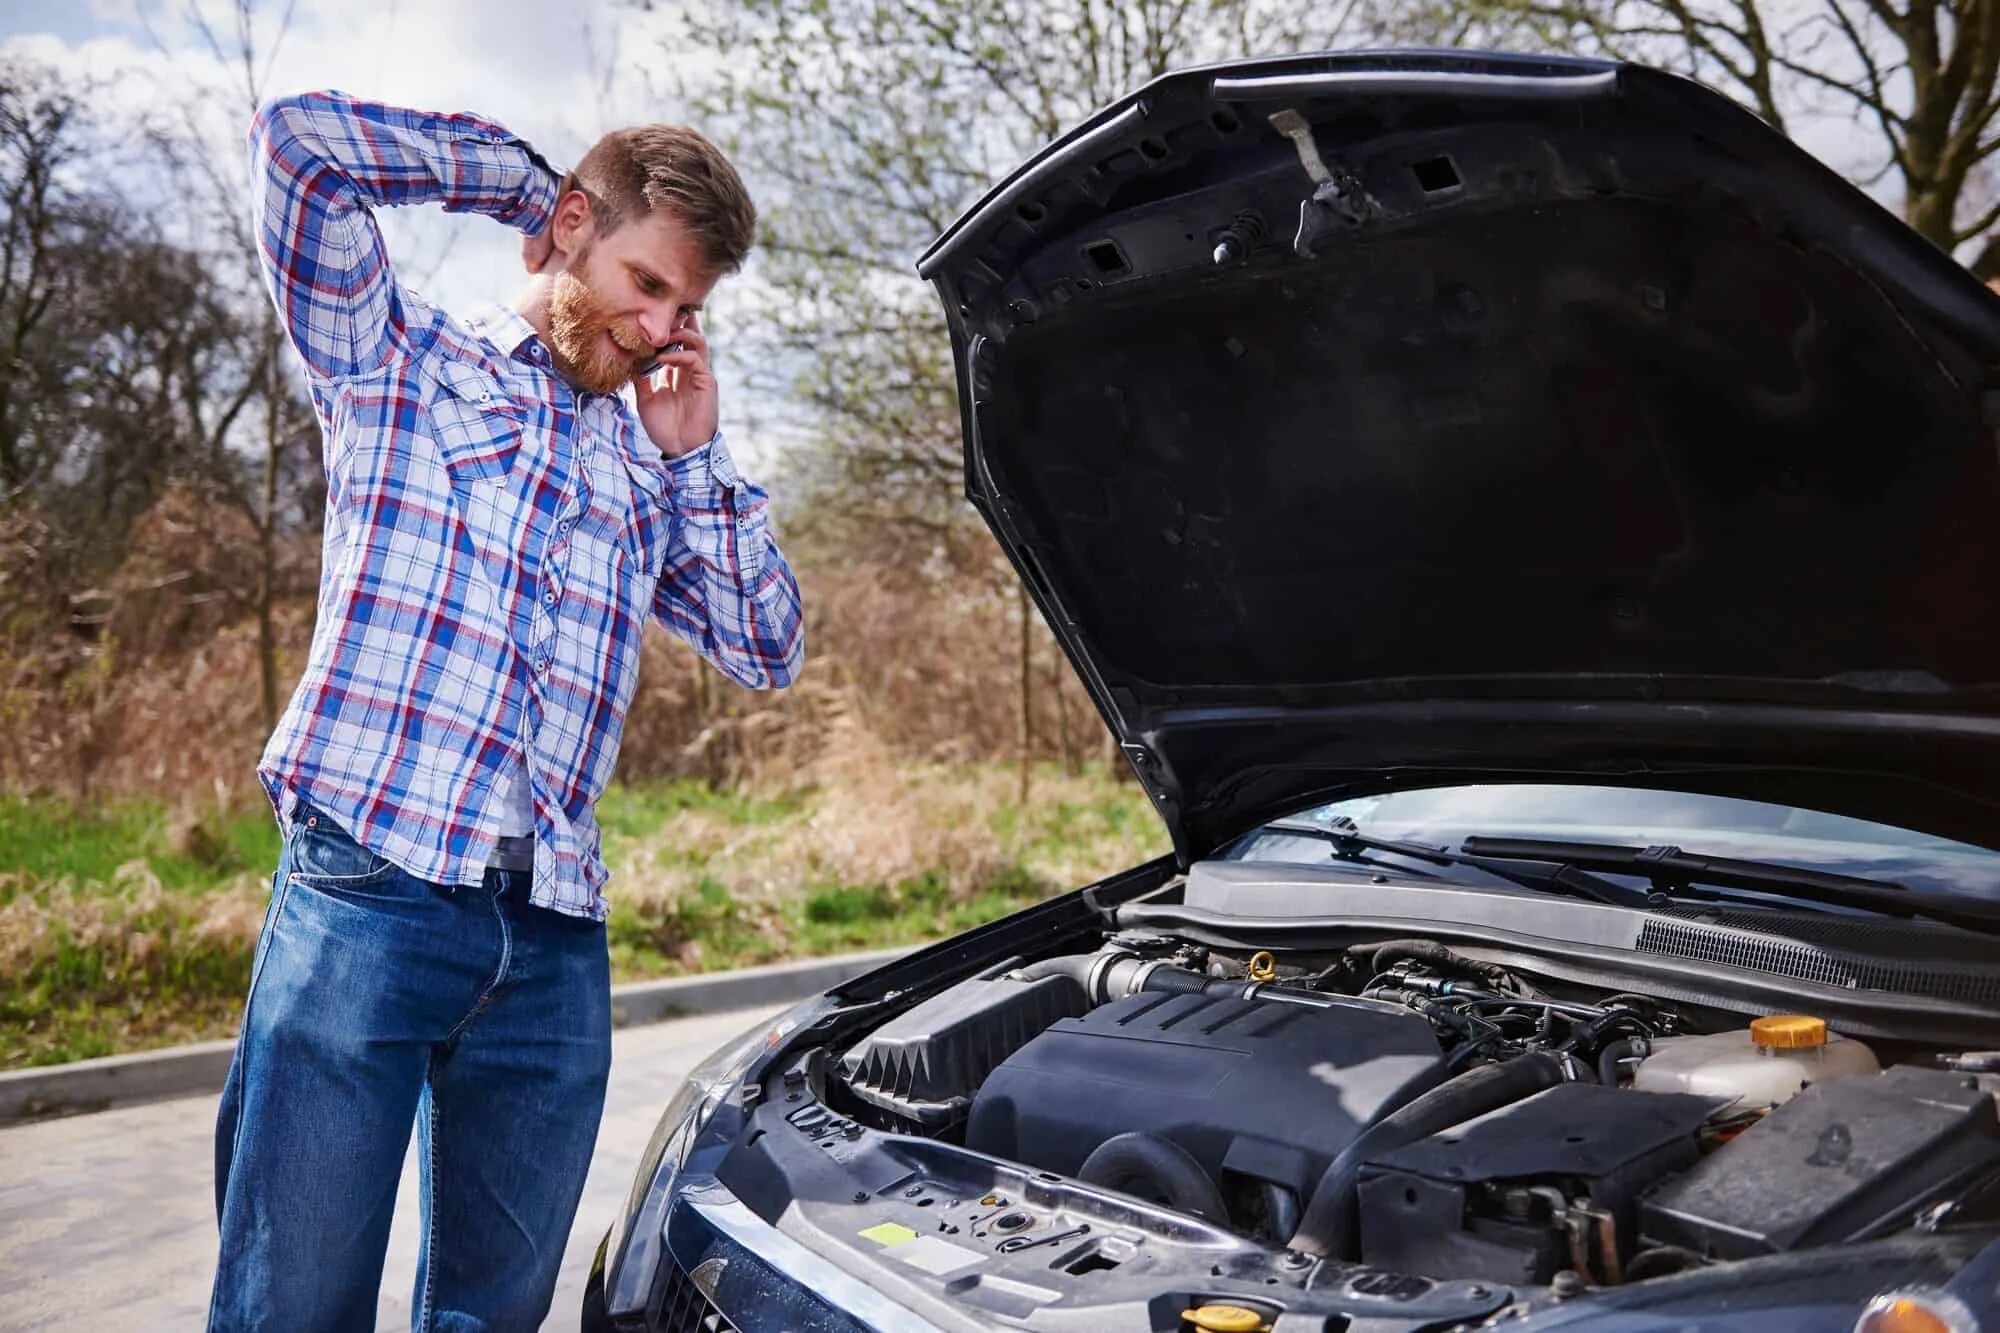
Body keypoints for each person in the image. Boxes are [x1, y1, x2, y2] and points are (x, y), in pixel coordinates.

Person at [207, 91, 804, 1332]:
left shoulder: (647, 467)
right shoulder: (396, 359)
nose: (658, 329)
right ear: (575, 227)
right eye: (644, 284)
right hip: (371, 891)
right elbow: (298, 150)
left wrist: (695, 457)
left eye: (685, 309)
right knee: (293, 1304)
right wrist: (520, 185)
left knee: (493, 1318)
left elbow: (768, 641)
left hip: (551, 938)